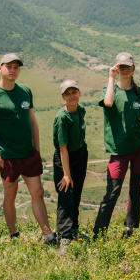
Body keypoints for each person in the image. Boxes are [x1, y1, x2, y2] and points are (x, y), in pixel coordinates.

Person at [0, 54, 54, 242]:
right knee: (10, 196)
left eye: (16, 67)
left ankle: (48, 235)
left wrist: (38, 150)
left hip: (29, 154)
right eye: (8, 66)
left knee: (38, 193)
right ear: (0, 68)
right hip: (7, 156)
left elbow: (33, 121)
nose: (12, 70)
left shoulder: (25, 91)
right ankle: (13, 234)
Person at [93, 53, 140, 238]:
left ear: (133, 68)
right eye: (121, 67)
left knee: (136, 190)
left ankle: (130, 228)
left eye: (128, 67)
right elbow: (108, 102)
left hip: (139, 148)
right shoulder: (109, 89)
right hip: (118, 150)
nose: (125, 70)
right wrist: (111, 78)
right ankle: (99, 232)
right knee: (112, 192)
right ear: (116, 68)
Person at [53, 80, 88, 248]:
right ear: (63, 97)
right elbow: (62, 148)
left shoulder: (80, 110)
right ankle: (64, 235)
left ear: (79, 93)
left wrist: (82, 142)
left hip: (80, 154)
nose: (72, 96)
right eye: (68, 94)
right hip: (64, 157)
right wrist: (66, 174)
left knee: (77, 192)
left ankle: (74, 228)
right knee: (66, 192)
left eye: (74, 92)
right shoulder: (62, 117)